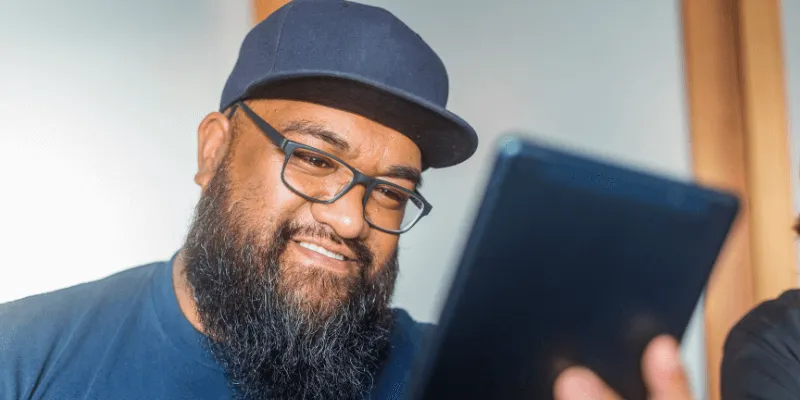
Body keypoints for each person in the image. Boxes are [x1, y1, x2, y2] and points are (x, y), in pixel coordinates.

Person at [0, 0, 694, 399]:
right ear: (213, 150)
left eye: (391, 192)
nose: (348, 217)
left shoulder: (459, 382)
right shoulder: (26, 357)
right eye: (314, 158)